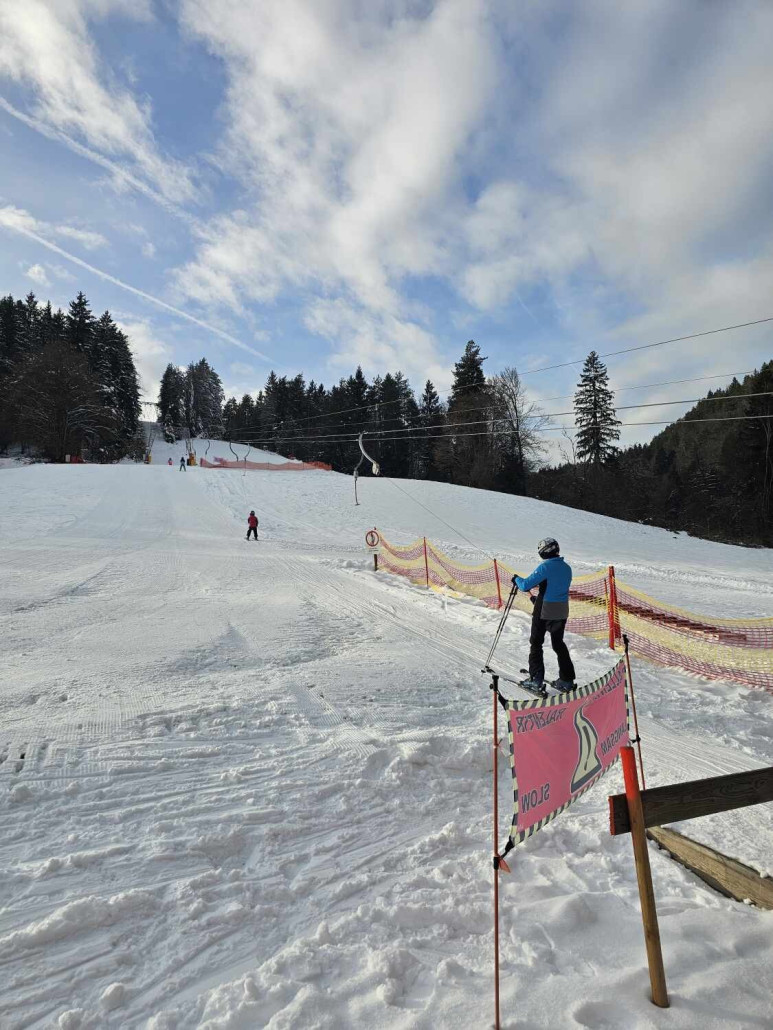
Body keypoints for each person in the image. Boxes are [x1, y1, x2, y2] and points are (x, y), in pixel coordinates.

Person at [513, 537, 576, 692]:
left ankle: (536, 679)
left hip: (544, 611)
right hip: (561, 611)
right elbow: (554, 589)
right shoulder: (567, 568)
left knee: (536, 643)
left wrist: (515, 579)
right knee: (558, 644)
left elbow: (525, 585)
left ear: (544, 551)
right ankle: (567, 680)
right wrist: (536, 599)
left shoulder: (546, 567)